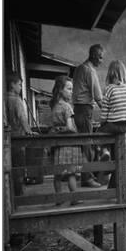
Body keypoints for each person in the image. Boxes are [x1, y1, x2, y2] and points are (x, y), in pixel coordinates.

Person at [72, 44, 104, 188]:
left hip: (78, 109)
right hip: (84, 109)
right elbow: (98, 97)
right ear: (94, 55)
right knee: (87, 145)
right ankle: (87, 178)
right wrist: (109, 112)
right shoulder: (90, 71)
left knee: (84, 144)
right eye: (100, 57)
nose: (102, 60)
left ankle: (87, 174)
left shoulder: (79, 68)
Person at [99, 60, 126, 188]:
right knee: (117, 155)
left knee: (97, 135)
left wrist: (102, 123)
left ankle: (104, 151)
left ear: (110, 74)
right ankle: (113, 186)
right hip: (125, 126)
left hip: (112, 124)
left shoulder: (109, 89)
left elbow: (104, 111)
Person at [50, 76, 83, 205]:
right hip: (69, 144)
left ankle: (59, 200)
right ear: (60, 90)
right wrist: (74, 131)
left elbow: (54, 126)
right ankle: (74, 199)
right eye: (69, 89)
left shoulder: (54, 106)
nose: (71, 91)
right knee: (71, 173)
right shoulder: (67, 107)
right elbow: (70, 127)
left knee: (58, 173)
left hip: (59, 145)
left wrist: (57, 130)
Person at [6, 73, 34, 196]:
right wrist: (29, 131)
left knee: (9, 168)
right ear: (12, 85)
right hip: (18, 137)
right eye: (19, 85)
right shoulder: (16, 100)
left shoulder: (3, 99)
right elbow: (22, 118)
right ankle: (19, 195)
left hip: (7, 139)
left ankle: (11, 194)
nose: (21, 87)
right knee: (19, 168)